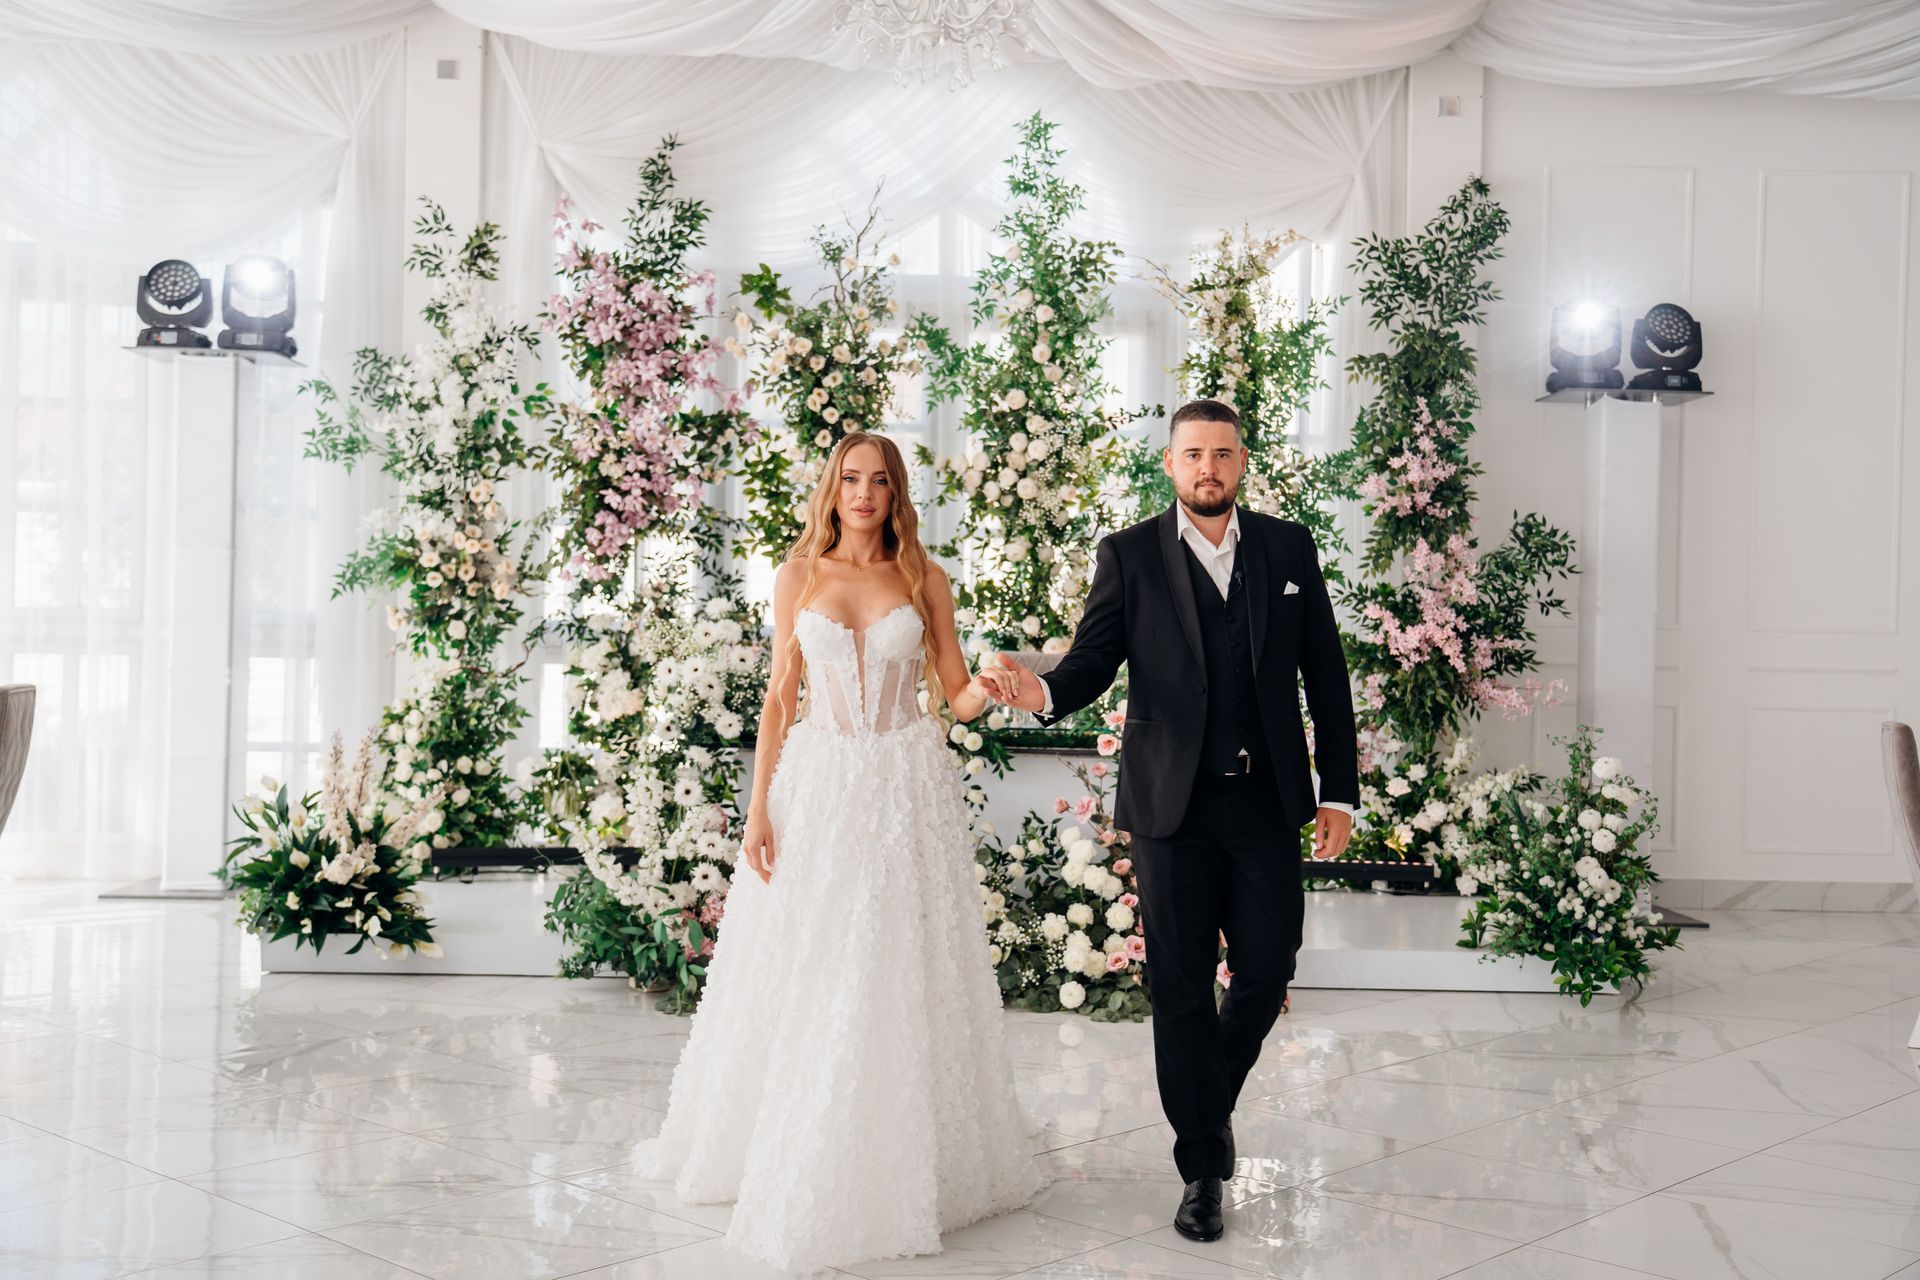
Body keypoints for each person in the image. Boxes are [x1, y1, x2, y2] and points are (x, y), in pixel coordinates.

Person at [639, 431, 1045, 1274]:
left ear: (898, 495)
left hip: (904, 782)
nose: (864, 493)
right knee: (811, 956)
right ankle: (780, 1136)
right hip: (818, 784)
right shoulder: (799, 577)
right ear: (832, 490)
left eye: (880, 481)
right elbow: (780, 700)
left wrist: (992, 687)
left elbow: (953, 692)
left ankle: (897, 1152)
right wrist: (758, 809)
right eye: (851, 479)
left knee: (891, 960)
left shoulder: (924, 579)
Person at [978, 398, 1358, 1243]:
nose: (1208, 468)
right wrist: (1034, 692)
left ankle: (1205, 1104)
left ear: (1243, 460)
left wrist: (1339, 793)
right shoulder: (1129, 556)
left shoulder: (1288, 548)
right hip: (1169, 808)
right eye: (1193, 454)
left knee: (1267, 968)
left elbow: (1325, 678)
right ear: (1170, 463)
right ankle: (1201, 1168)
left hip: (1266, 804)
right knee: (1180, 987)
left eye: (1222, 453)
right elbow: (1087, 665)